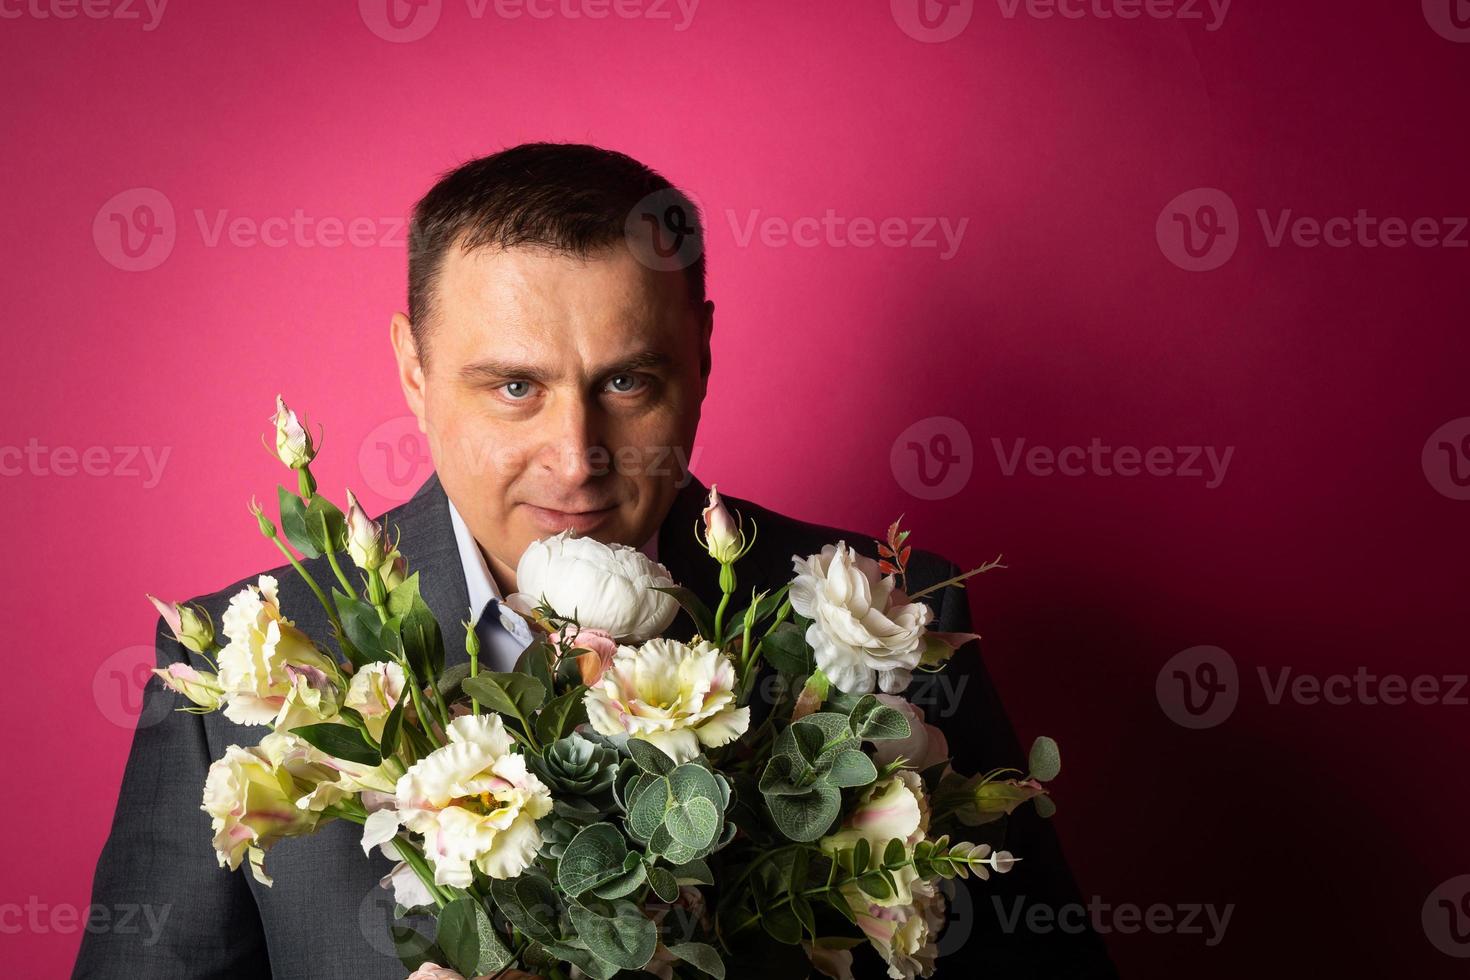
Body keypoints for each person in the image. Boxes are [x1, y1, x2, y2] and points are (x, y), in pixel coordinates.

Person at [74, 143, 1115, 979]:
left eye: (626, 382)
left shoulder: (889, 625)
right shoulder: (238, 676)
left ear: (702, 355)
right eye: (514, 387)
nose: (576, 460)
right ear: (413, 370)